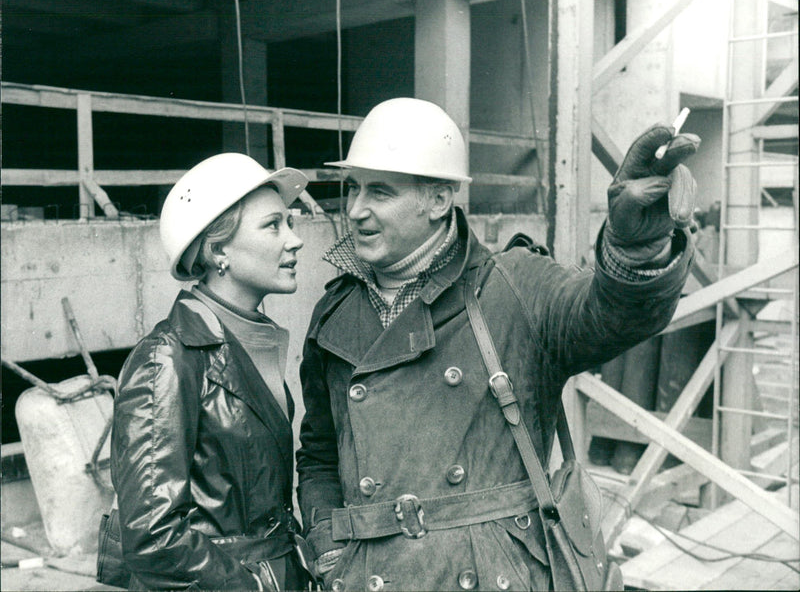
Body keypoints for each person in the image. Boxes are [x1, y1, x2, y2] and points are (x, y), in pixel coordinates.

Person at [295, 98, 698, 591]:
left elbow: (612, 316)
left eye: (379, 192)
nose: (356, 211)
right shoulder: (334, 313)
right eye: (353, 188)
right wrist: (328, 546)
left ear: (439, 200)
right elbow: (318, 453)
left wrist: (635, 250)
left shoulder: (515, 285)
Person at [109, 153, 310, 590]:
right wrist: (250, 586)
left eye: (290, 224)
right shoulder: (168, 358)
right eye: (273, 226)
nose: (294, 241)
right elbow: (151, 536)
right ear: (219, 250)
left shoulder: (250, 339)